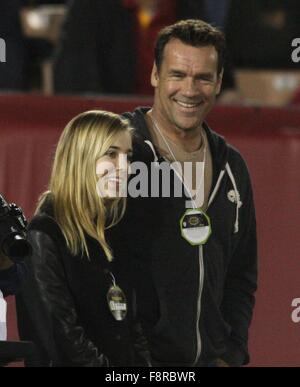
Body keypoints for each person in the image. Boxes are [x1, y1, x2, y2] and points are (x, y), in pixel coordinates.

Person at [118, 19, 257, 367]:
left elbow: (241, 275)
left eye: (203, 78)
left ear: (219, 83)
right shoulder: (117, 152)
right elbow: (80, 261)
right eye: (177, 75)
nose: (190, 90)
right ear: (154, 75)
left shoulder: (232, 167)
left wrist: (231, 354)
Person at [16, 110, 150, 367]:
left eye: (127, 156)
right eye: (111, 154)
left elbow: (133, 330)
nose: (125, 168)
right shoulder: (43, 236)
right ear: (81, 159)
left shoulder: (116, 233)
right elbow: (62, 339)